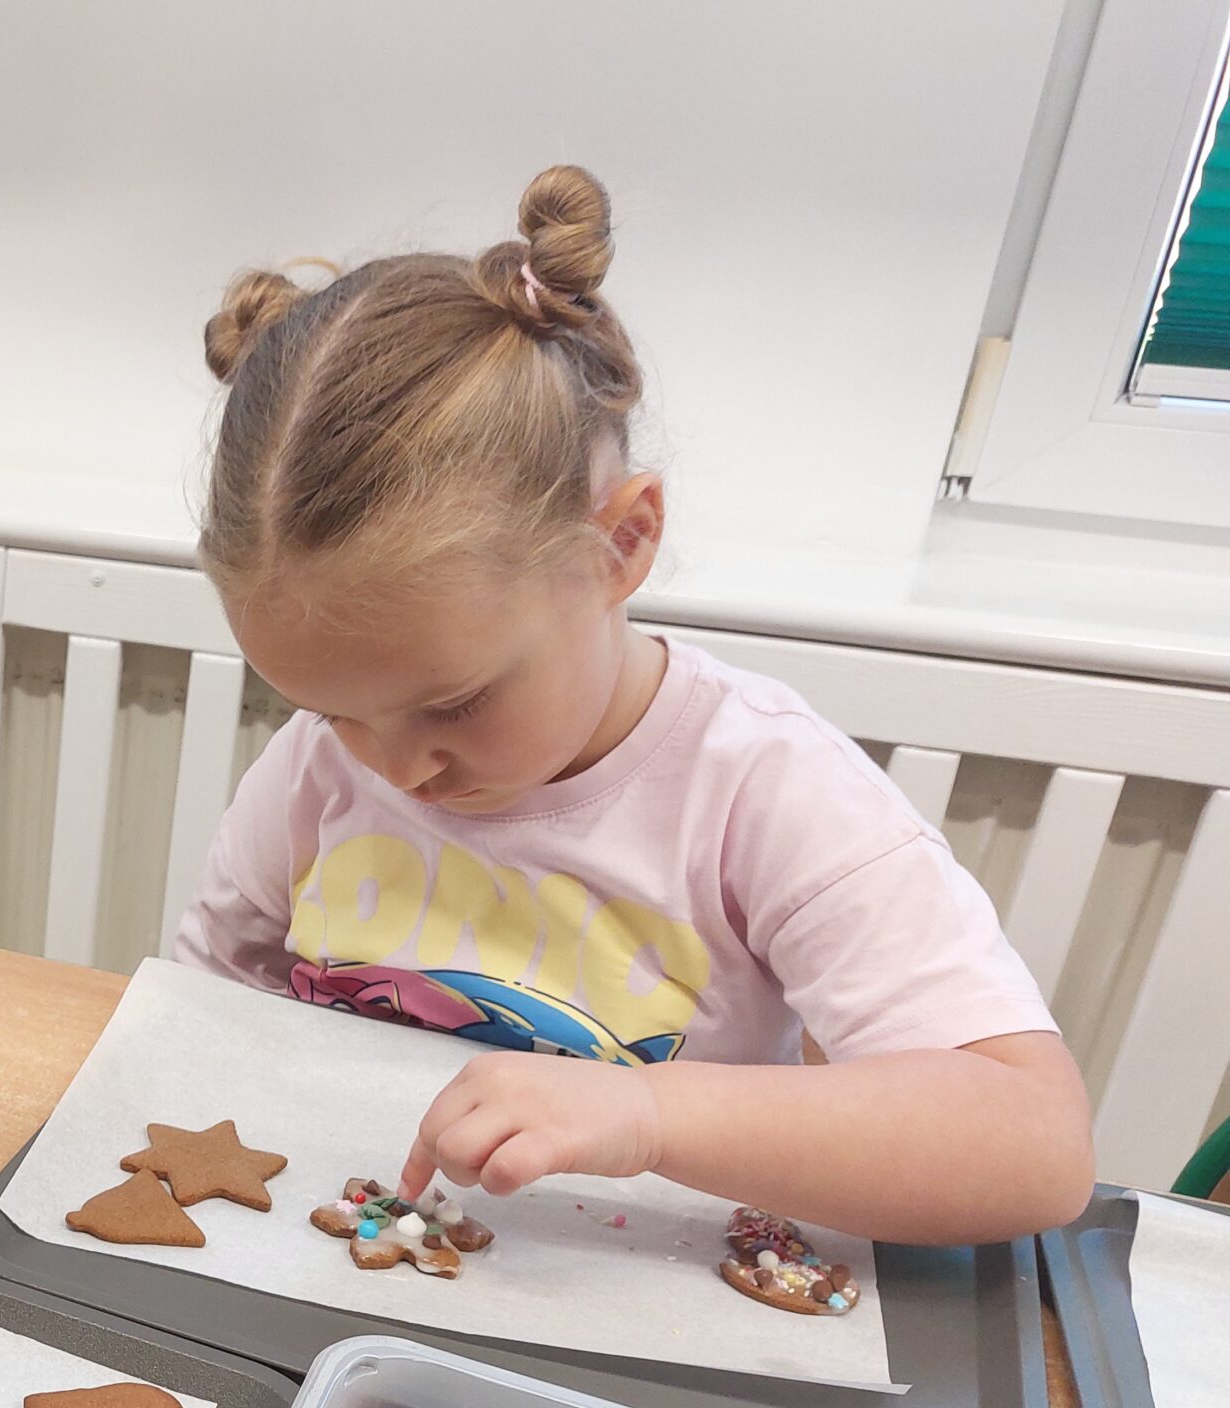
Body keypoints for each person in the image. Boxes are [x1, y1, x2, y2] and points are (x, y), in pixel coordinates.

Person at [174, 165, 1094, 1246]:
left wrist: (647, 1113)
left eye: (457, 703)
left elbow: (1034, 1147)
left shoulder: (763, 787)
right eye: (331, 711)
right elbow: (198, 1011)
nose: (398, 769)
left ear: (621, 542)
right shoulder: (314, 768)